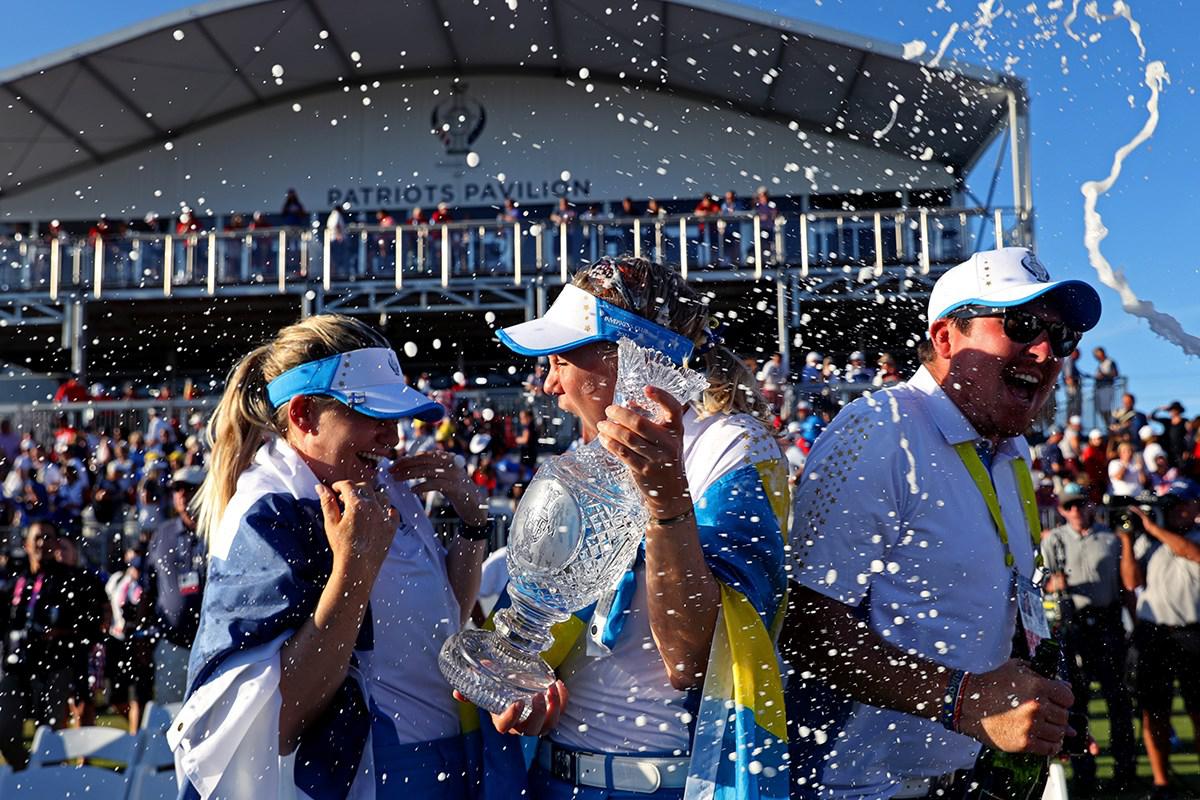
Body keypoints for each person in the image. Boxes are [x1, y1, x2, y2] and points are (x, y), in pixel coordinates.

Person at [169, 314, 537, 799]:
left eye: (395, 418)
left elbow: (443, 616)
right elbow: (274, 719)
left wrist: (470, 526)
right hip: (370, 773)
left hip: (447, 755)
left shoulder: (375, 482)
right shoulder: (271, 510)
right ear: (302, 416)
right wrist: (354, 570)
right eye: (373, 415)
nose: (394, 438)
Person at [783, 246, 1101, 798]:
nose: (1047, 350)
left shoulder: (1013, 452)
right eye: (1021, 325)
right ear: (946, 339)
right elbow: (806, 626)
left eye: (1063, 336)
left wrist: (1035, 695)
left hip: (959, 778)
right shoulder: (879, 430)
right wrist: (965, 698)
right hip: (854, 784)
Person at [493, 255, 791, 799]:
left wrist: (666, 499)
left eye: (560, 359)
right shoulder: (587, 451)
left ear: (626, 357)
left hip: (672, 784)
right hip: (555, 780)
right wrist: (522, 687)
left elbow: (691, 659)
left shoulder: (728, 445)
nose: (547, 384)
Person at [1041, 483, 1137, 792]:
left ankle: (1125, 771)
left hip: (1106, 624)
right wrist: (1053, 584)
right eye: (1069, 506)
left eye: (1081, 504)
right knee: (1076, 702)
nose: (1076, 511)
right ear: (1061, 510)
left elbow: (1126, 589)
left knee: (1118, 701)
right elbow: (1038, 584)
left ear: (1090, 506)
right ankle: (1084, 774)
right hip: (1072, 624)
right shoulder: (1053, 541)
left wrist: (1133, 628)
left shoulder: (1110, 540)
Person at [0, 521, 105, 768]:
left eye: (48, 538)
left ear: (56, 544)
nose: (42, 543)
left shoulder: (73, 580)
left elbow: (92, 623)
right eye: (36, 538)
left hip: (54, 667)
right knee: (4, 729)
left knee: (48, 737)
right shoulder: (16, 580)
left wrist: (61, 633)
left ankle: (49, 781)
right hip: (16, 668)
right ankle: (27, 773)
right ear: (26, 544)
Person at [1120, 479, 1200, 800]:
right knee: (1154, 711)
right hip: (1153, 635)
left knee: (1198, 710)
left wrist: (1154, 530)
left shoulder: (1191, 535)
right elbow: (1130, 582)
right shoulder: (1147, 541)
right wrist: (1127, 540)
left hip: (1193, 633)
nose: (1178, 510)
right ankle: (1160, 782)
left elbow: (1190, 553)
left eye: (1183, 503)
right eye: (1172, 505)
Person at [145, 466, 208, 703]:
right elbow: (148, 587)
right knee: (168, 719)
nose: (182, 494)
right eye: (177, 489)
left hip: (211, 646)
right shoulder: (163, 534)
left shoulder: (220, 526)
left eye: (189, 488)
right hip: (172, 644)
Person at [1093, 346, 1118, 422]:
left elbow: (1115, 373)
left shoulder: (1110, 362)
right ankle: (1108, 424)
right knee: (1100, 408)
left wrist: (1104, 375)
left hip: (1107, 387)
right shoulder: (1100, 364)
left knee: (1106, 408)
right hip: (1100, 388)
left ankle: (1111, 423)